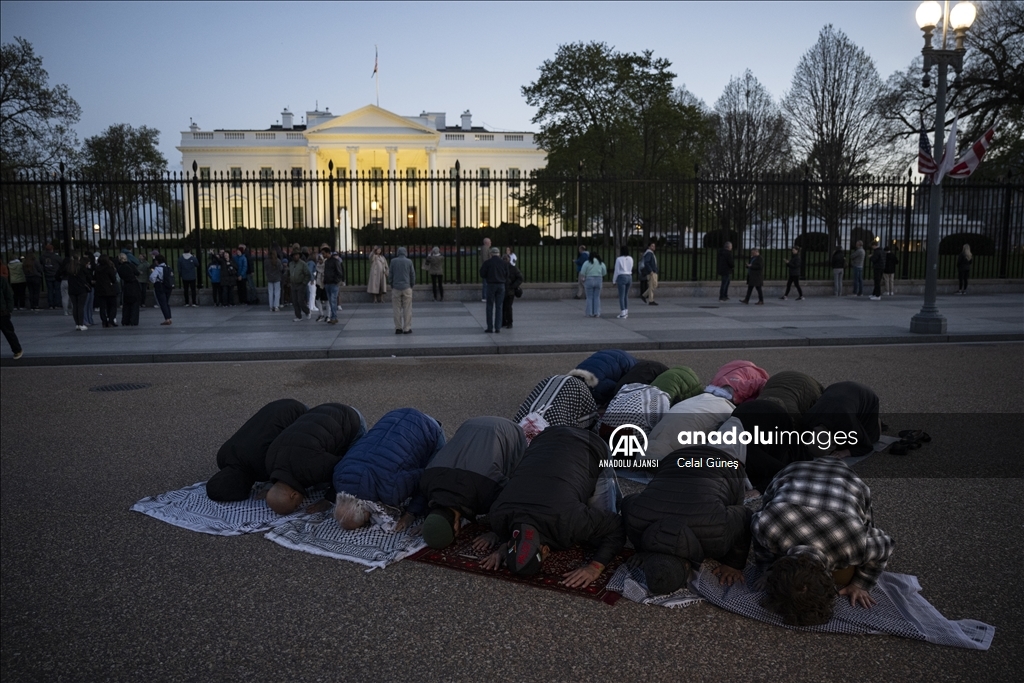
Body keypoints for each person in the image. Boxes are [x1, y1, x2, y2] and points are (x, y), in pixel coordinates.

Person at [475, 426, 626, 589]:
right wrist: (503, 547)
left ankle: (609, 487)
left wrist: (595, 567)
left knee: (599, 538)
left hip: (592, 446)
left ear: (546, 550)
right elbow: (510, 533)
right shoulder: (498, 515)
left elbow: (616, 526)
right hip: (545, 437)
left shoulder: (570, 520)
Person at [752, 458, 895, 625]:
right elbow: (757, 531)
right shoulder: (768, 526)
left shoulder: (852, 543)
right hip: (795, 470)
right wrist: (765, 569)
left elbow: (886, 545)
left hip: (842, 477)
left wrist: (860, 584)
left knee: (849, 570)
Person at [621, 420, 753, 593]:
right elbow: (628, 501)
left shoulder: (718, 535)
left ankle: (735, 418)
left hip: (723, 462)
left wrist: (733, 564)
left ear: (686, 566)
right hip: (677, 459)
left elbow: (745, 515)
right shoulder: (635, 521)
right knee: (730, 430)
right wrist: (641, 546)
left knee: (735, 426)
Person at [329, 408, 446, 531]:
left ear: (365, 513)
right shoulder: (338, 476)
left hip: (430, 428)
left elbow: (426, 478)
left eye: (364, 523)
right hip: (395, 416)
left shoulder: (392, 490)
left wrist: (411, 513)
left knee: (437, 471)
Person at [420, 417, 528, 549]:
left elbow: (512, 499)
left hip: (510, 431)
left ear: (455, 525)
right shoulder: (427, 480)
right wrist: (432, 525)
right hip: (469, 424)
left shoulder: (486, 489)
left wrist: (497, 533)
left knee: (516, 474)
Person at [263, 403, 366, 515]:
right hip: (321, 410)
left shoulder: (312, 467)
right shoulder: (270, 461)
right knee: (321, 482)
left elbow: (345, 470)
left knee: (358, 465)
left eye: (296, 505)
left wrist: (329, 499)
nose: (299, 506)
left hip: (351, 419)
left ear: (294, 495)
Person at [206, 399, 309, 502]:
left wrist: (270, 487)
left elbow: (287, 469)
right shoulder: (222, 457)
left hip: (300, 414)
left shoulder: (260, 467)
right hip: (281, 405)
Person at [801, 381, 881, 460]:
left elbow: (866, 446)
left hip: (866, 397)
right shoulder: (809, 418)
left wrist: (846, 452)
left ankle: (877, 423)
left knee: (871, 438)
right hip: (836, 389)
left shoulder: (846, 421)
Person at [570, 349, 638, 407]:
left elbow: (616, 390)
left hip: (624, 362)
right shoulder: (577, 375)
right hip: (612, 356)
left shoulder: (600, 384)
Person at [480, 246, 508, 333]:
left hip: (491, 285)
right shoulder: (503, 263)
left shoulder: (487, 263)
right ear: (499, 254)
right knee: (499, 306)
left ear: (491, 254)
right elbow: (507, 274)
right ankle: (498, 327)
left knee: (489, 306)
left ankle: (489, 327)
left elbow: (482, 274)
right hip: (501, 285)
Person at [388, 246, 416, 334]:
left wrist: (391, 284)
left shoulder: (393, 261)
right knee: (407, 309)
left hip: (396, 287)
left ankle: (398, 328)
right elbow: (412, 275)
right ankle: (407, 328)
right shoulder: (409, 262)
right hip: (407, 287)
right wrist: (411, 285)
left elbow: (390, 274)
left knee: (396, 309)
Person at [1, 275, 23, 359]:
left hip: (2, 312)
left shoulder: (2, 281)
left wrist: (9, 309)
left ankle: (17, 349)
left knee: (9, 333)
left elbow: (8, 295)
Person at [65, 256, 90, 331]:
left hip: (72, 289)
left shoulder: (68, 267)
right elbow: (89, 276)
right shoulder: (81, 268)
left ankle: (77, 324)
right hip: (81, 289)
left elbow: (59, 274)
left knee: (75, 307)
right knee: (80, 307)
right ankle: (81, 324)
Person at [93, 254, 119, 328]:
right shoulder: (109, 268)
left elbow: (95, 278)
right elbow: (113, 279)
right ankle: (111, 320)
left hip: (100, 289)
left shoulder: (97, 268)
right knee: (113, 306)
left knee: (102, 307)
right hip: (110, 288)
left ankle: (104, 321)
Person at [116, 253, 141, 326]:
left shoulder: (120, 268)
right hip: (134, 285)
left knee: (126, 304)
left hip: (126, 285)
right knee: (135, 304)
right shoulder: (131, 265)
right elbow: (137, 273)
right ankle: (133, 320)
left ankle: (125, 320)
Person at [580, 251, 607, 318]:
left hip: (589, 279)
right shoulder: (601, 263)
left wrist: (583, 278)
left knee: (589, 297)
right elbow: (604, 272)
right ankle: (596, 312)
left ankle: (589, 313)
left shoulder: (587, 263)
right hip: (598, 279)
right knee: (597, 297)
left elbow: (583, 272)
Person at [322, 249, 345, 324]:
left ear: (328, 253)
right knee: (331, 301)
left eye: (324, 253)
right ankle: (333, 316)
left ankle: (334, 317)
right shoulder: (327, 261)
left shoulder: (335, 261)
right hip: (328, 283)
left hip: (333, 283)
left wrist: (336, 281)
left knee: (333, 300)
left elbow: (340, 272)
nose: (323, 255)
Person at [149, 254, 173, 325]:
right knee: (167, 302)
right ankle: (169, 317)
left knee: (163, 303)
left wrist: (154, 281)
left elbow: (152, 277)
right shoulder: (168, 267)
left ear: (157, 261)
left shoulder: (158, 268)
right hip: (168, 286)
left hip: (160, 286)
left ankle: (167, 319)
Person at [287, 250, 311, 321]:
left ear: (299, 256)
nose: (295, 256)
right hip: (293, 284)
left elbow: (308, 274)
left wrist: (304, 283)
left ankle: (307, 311)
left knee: (300, 300)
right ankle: (298, 316)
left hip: (301, 284)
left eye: (297, 255)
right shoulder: (291, 264)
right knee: (295, 301)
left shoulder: (303, 264)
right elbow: (289, 273)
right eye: (294, 255)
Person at [502, 253, 523, 329]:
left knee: (507, 307)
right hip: (506, 290)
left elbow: (520, 278)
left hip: (509, 291)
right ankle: (504, 322)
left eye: (506, 259)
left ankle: (509, 322)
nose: (505, 260)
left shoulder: (513, 269)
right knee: (504, 307)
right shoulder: (512, 268)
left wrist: (513, 286)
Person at [613, 245, 633, 319]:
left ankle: (622, 312)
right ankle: (626, 310)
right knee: (626, 295)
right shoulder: (630, 258)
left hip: (621, 276)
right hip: (629, 276)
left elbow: (617, 271)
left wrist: (614, 280)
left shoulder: (619, 259)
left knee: (621, 295)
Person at [41, 243, 62, 310]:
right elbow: (61, 263)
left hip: (47, 274)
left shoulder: (42, 257)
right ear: (52, 249)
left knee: (50, 290)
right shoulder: (56, 257)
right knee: (57, 290)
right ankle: (57, 304)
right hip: (56, 275)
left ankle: (51, 304)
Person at [479, 237, 493, 301]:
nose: (491, 243)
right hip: (487, 269)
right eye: (490, 242)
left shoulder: (485, 248)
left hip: (486, 268)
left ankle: (486, 296)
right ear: (486, 242)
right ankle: (484, 297)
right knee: (486, 283)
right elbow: (485, 259)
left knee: (486, 283)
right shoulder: (485, 248)